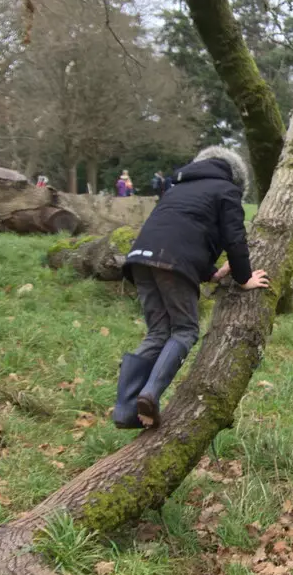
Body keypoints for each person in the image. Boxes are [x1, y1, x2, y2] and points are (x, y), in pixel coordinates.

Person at [113, 146, 269, 430]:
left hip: (139, 259)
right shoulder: (226, 190)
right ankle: (150, 393)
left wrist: (211, 273)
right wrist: (244, 278)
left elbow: (182, 230)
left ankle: (125, 410)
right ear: (236, 177)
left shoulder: (177, 187)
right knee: (185, 330)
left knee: (159, 332)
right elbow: (235, 239)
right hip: (173, 262)